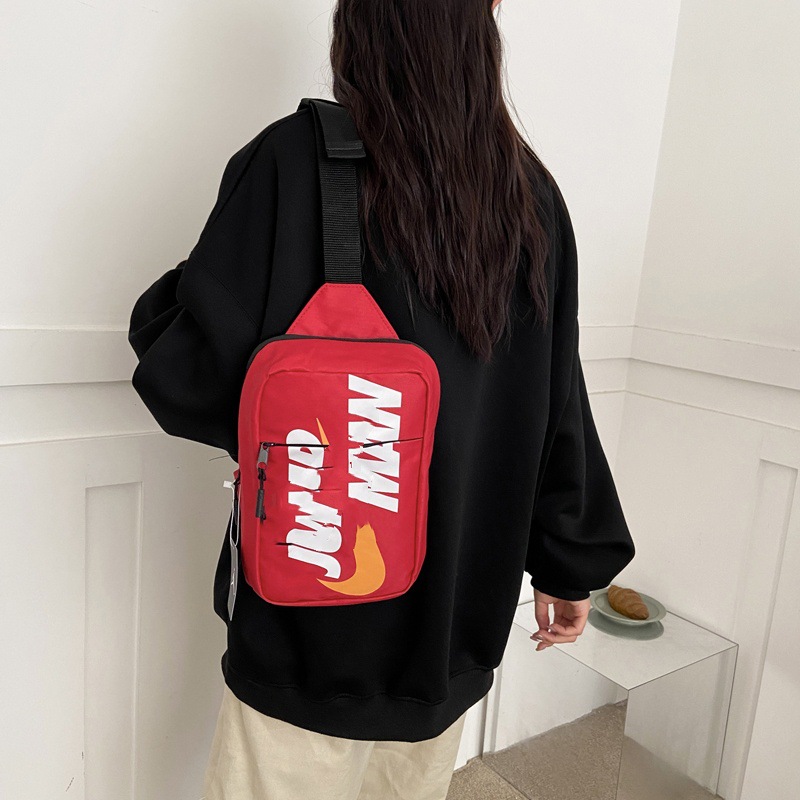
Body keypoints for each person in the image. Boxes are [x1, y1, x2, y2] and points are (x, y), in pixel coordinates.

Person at [127, 0, 636, 797]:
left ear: (360, 23)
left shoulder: (293, 163)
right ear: (482, 24)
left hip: (309, 623)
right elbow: (557, 401)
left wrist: (196, 290)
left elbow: (184, 375)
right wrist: (570, 564)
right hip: (451, 629)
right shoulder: (530, 193)